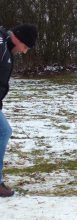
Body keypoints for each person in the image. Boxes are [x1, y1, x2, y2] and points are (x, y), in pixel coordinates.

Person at [0, 24, 37, 197]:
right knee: (4, 131)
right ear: (19, 39)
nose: (24, 51)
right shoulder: (2, 47)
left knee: (4, 131)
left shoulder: (5, 46)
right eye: (25, 47)